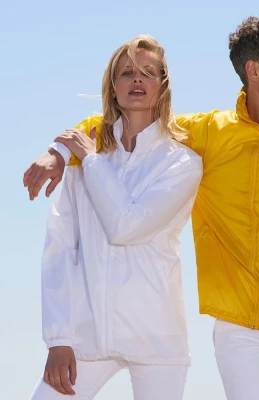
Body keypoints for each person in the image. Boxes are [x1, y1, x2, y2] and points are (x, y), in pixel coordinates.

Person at [24, 13, 259, 400]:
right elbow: (122, 120)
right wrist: (58, 152)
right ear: (253, 70)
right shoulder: (210, 133)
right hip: (240, 331)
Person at [28, 35, 203, 400]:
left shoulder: (182, 163)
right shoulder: (83, 158)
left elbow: (127, 226)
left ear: (163, 86)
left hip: (157, 337)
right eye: (126, 72)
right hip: (86, 334)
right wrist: (59, 338)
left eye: (148, 72)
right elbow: (60, 247)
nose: (137, 79)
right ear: (113, 86)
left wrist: (89, 159)